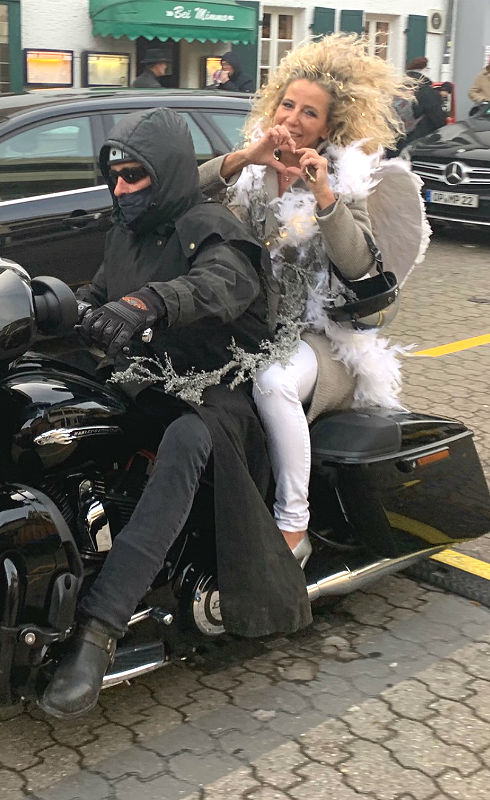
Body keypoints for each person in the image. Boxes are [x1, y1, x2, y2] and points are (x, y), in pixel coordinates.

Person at [39, 107, 312, 719]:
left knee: (188, 439)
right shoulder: (126, 232)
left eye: (134, 176)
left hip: (215, 395)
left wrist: (150, 303)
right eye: (114, 177)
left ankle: (99, 630)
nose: (121, 189)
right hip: (143, 381)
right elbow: (98, 294)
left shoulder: (214, 227)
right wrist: (45, 307)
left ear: (164, 173)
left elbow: (220, 285)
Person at [198, 34, 420, 566]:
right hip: (254, 328)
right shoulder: (253, 175)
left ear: (327, 128)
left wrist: (325, 197)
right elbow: (184, 194)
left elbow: (359, 265)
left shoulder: (343, 183)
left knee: (273, 382)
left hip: (322, 343)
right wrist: (242, 158)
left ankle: (293, 525)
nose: (293, 119)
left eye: (310, 113)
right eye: (288, 105)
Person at [404, 57, 447, 143]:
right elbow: (439, 119)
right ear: (424, 70)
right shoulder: (426, 91)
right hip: (418, 141)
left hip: (394, 139)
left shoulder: (398, 87)